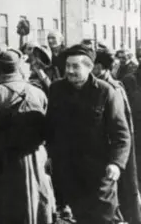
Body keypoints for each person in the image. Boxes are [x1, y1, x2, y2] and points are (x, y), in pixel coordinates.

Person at [0, 50, 55, 224]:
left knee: (6, 206)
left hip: (4, 161)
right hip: (36, 157)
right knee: (36, 203)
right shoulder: (37, 92)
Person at [47, 44, 131, 224]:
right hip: (70, 171)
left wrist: (116, 163)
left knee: (104, 218)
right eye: (67, 66)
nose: (69, 71)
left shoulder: (106, 92)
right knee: (82, 217)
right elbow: (51, 128)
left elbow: (121, 135)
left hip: (100, 172)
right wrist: (50, 155)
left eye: (75, 66)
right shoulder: (56, 90)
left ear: (89, 67)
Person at [93, 48, 141, 224]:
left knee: (120, 194)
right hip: (105, 150)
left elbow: (122, 126)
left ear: (99, 67)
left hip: (114, 151)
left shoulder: (113, 88)